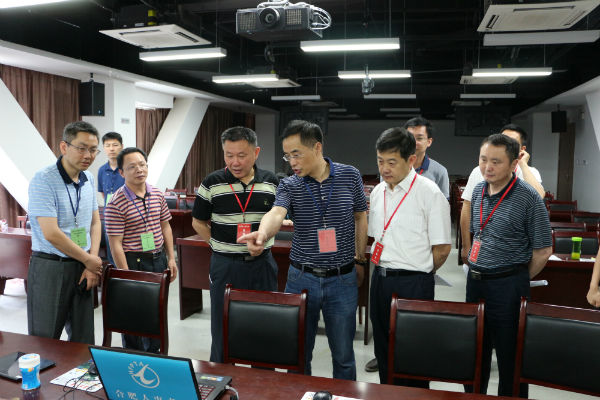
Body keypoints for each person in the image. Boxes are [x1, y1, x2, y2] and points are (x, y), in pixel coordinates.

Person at [240, 120, 368, 380]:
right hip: (301, 278)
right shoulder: (290, 184)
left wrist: (360, 259)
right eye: (287, 156)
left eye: (296, 154)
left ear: (317, 147)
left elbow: (360, 216)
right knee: (297, 354)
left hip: (342, 278)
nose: (292, 162)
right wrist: (262, 234)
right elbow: (277, 213)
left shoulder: (349, 175)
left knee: (344, 356)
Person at [466, 133, 552, 397]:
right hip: (475, 283)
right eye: (483, 159)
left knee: (510, 357)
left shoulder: (528, 197)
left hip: (508, 286)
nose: (487, 167)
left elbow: (543, 250)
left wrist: (517, 276)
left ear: (514, 163)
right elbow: (477, 233)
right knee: (473, 353)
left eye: (496, 161)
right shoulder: (479, 190)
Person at [365, 117, 451, 374]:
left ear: (411, 159)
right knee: (383, 348)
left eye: (391, 162)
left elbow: (442, 249)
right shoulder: (377, 192)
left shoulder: (429, 193)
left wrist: (419, 273)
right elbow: (376, 237)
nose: (384, 168)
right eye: (380, 161)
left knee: (414, 354)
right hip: (380, 280)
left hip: (414, 283)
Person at [191, 126, 279, 363]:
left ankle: (263, 377)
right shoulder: (212, 182)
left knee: (264, 326)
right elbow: (198, 221)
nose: (235, 162)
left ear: (256, 152)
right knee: (222, 326)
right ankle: (220, 375)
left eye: (241, 155)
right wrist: (217, 244)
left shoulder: (271, 182)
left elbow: (278, 217)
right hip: (225, 265)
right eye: (229, 155)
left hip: (262, 264)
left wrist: (263, 239)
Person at [27, 121, 103, 344]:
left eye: (93, 149)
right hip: (51, 266)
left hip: (82, 265)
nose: (88, 155)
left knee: (83, 339)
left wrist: (91, 261)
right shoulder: (44, 179)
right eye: (81, 148)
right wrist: (89, 260)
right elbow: (51, 233)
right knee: (45, 339)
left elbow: (95, 223)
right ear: (64, 147)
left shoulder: (89, 178)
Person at [104, 147, 178, 353]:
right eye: (132, 167)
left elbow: (166, 227)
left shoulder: (157, 194)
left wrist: (171, 258)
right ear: (121, 172)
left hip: (158, 259)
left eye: (142, 165)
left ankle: (155, 355)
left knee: (156, 311)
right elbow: (115, 244)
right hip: (133, 261)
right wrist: (126, 275)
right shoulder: (116, 202)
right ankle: (133, 357)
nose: (139, 170)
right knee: (133, 313)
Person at [460, 123, 545, 263]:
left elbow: (538, 197)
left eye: (511, 143)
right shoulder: (479, 171)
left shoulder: (530, 172)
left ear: (522, 149)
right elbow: (467, 207)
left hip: (513, 254)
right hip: (480, 250)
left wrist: (522, 164)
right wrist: (465, 246)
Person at [404, 117, 449, 198]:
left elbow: (443, 204)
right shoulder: (391, 168)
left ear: (429, 142)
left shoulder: (440, 171)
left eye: (419, 138)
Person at [97, 131, 124, 266]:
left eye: (115, 145)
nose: (111, 149)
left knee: (126, 249)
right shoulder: (102, 170)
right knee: (112, 249)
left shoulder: (127, 168)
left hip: (127, 215)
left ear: (121, 146)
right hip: (109, 217)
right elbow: (103, 193)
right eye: (107, 145)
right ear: (103, 148)